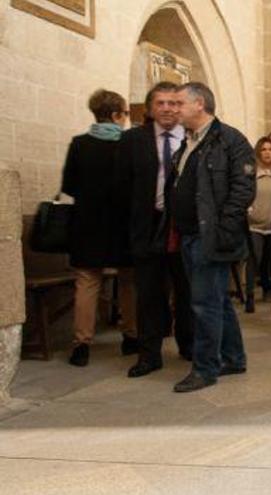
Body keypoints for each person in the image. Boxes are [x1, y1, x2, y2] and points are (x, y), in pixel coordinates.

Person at [170, 82, 255, 393]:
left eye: (180, 103)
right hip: (190, 235)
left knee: (204, 304)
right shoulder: (189, 142)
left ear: (199, 104)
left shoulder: (230, 140)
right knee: (216, 300)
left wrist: (222, 230)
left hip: (211, 237)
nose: (175, 109)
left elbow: (243, 191)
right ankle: (234, 358)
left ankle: (205, 368)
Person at [116, 81, 194, 378]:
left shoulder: (193, 139)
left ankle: (189, 345)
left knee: (186, 290)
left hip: (183, 228)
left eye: (174, 103)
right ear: (150, 108)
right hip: (147, 227)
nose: (168, 109)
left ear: (183, 107)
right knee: (148, 293)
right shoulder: (132, 140)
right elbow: (120, 188)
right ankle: (149, 355)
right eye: (161, 103)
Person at [62, 89, 137, 367]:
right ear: (117, 115)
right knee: (129, 281)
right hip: (123, 223)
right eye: (125, 114)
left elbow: (68, 185)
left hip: (87, 224)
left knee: (87, 282)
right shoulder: (129, 144)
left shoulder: (79, 144)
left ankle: (81, 344)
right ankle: (131, 336)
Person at [245, 137, 271, 313]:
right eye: (264, 149)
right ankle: (250, 298)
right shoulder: (252, 173)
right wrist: (248, 210)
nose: (267, 152)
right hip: (255, 225)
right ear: (258, 152)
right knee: (255, 260)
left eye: (270, 149)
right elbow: (245, 195)